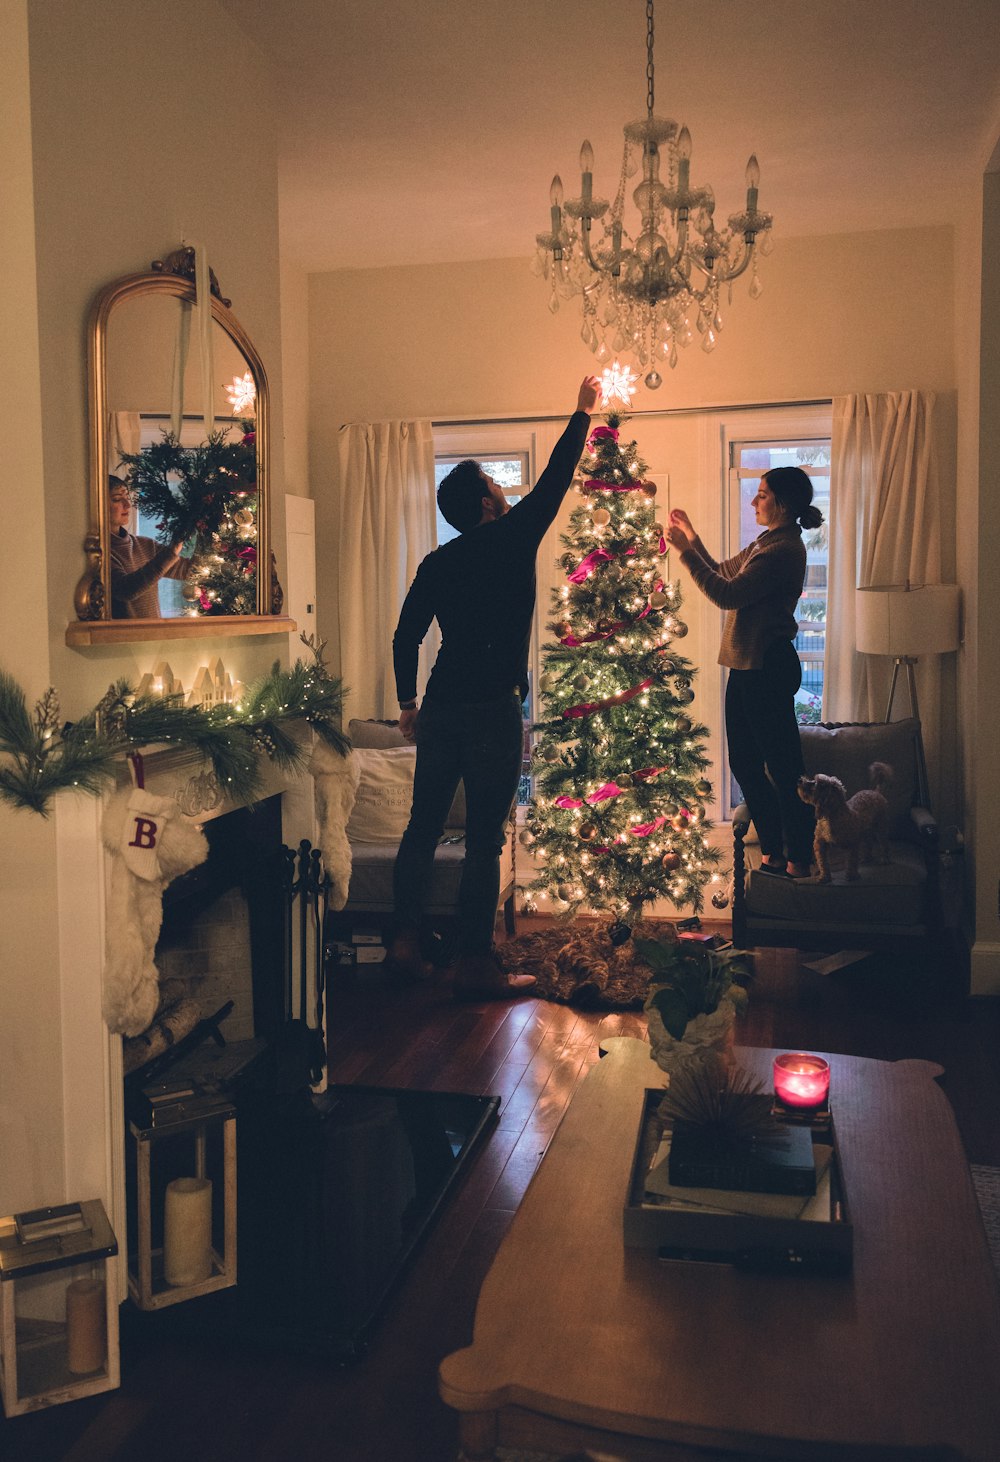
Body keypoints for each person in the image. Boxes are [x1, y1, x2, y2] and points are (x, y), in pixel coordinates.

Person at [388, 375, 602, 998]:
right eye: (494, 485)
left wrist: (408, 705)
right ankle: (476, 965)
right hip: (492, 713)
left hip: (443, 704)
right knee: (483, 839)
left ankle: (404, 944)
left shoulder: (437, 562)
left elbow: (406, 637)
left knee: (422, 827)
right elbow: (558, 477)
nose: (504, 491)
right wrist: (583, 412)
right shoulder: (512, 537)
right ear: (486, 504)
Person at [665, 466, 823, 880]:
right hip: (745, 665)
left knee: (783, 767)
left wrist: (683, 551)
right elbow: (725, 569)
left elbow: (726, 592)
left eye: (763, 495)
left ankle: (798, 857)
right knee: (745, 764)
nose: (755, 501)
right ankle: (772, 849)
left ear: (783, 504)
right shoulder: (766, 542)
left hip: (767, 667)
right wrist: (693, 538)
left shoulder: (784, 550)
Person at [108, 475, 192, 618]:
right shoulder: (102, 552)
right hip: (124, 638)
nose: (127, 505)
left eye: (127, 497)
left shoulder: (145, 545)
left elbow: (187, 571)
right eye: (117, 499)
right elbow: (125, 589)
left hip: (154, 637)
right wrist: (170, 554)